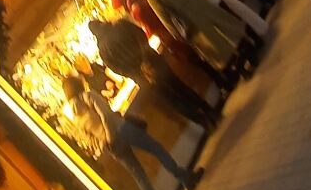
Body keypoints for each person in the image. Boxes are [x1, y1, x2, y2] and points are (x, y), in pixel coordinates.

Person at [62, 71, 202, 190]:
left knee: (139, 175)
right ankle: (184, 177)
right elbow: (106, 116)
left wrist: (105, 142)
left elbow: (89, 137)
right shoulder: (88, 96)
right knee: (155, 148)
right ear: (78, 84)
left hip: (113, 146)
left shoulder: (74, 115)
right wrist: (110, 135)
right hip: (121, 130)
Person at [129, 0, 255, 74]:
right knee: (223, 22)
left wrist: (176, 33)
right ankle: (248, 48)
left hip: (187, 14)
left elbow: (163, 15)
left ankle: (239, 66)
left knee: (214, 39)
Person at [89, 16, 220, 125]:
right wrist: (145, 59)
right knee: (180, 86)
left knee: (172, 100)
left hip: (143, 78)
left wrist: (137, 72)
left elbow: (117, 69)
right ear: (101, 22)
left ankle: (203, 122)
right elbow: (141, 34)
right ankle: (208, 110)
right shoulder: (120, 24)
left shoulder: (103, 52)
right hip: (154, 61)